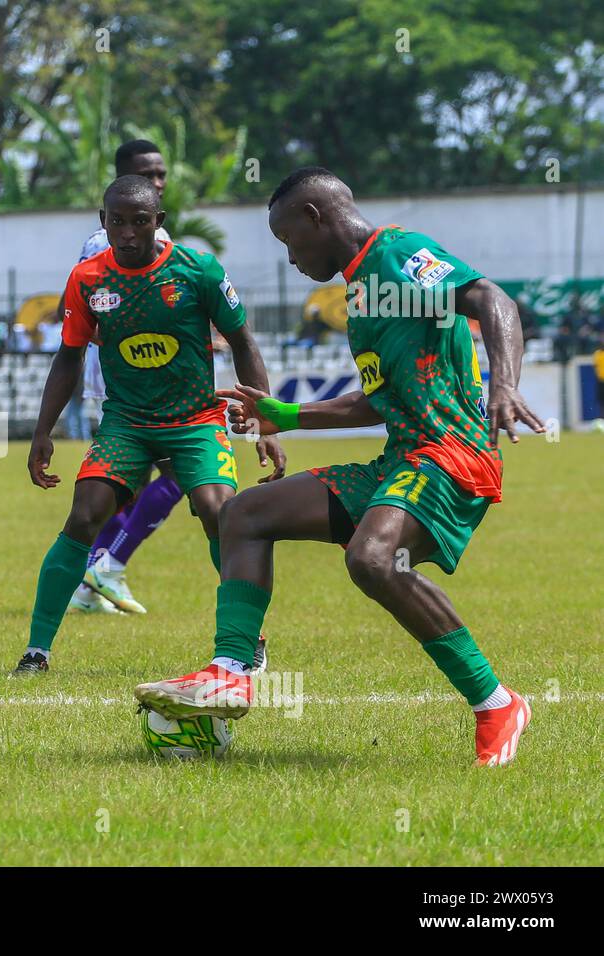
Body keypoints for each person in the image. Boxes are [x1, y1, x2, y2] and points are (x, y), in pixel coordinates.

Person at [135, 166, 543, 766]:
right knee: (244, 514)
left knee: (372, 559)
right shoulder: (361, 293)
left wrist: (504, 385)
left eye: (288, 241)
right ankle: (230, 673)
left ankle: (496, 703)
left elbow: (490, 297)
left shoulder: (398, 253)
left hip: (453, 455)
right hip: (402, 460)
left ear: (314, 217)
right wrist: (284, 414)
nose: (292, 259)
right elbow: (373, 400)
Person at [13, 174, 284, 675]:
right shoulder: (89, 279)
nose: (129, 233)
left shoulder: (197, 269)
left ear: (158, 223)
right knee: (84, 512)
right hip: (127, 423)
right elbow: (68, 357)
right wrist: (42, 430)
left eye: (140, 222)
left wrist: (265, 425)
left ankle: (250, 638)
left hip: (196, 419)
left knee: (218, 510)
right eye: (118, 222)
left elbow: (243, 342)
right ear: (104, 222)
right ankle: (36, 651)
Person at [68, 140, 192, 618]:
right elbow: (80, 314)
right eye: (147, 174)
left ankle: (92, 584)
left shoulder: (154, 234)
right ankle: (109, 566)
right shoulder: (107, 241)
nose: (158, 181)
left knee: (130, 488)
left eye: (161, 174)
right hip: (130, 384)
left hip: (149, 380)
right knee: (181, 474)